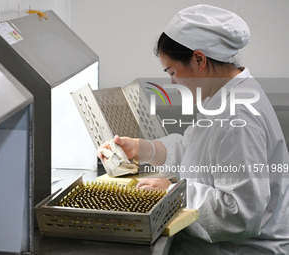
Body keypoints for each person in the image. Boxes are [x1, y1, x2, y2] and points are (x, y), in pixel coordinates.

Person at [97, 4, 289, 255]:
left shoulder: (239, 117)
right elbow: (196, 150)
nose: (174, 82)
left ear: (199, 60)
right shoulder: (226, 94)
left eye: (173, 72)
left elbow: (240, 213)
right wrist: (143, 149)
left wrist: (173, 193)